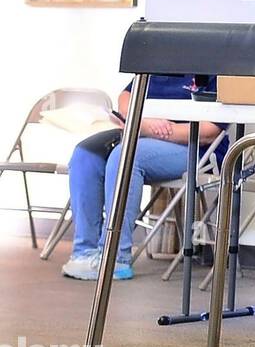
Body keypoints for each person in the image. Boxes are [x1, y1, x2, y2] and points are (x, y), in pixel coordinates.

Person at [62, 75, 223, 281]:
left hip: (194, 146)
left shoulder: (213, 67)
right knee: (85, 155)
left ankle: (115, 257)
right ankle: (84, 251)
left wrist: (153, 129)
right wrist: (145, 125)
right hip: (144, 133)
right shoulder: (157, 60)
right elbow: (126, 97)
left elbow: (210, 130)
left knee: (124, 156)